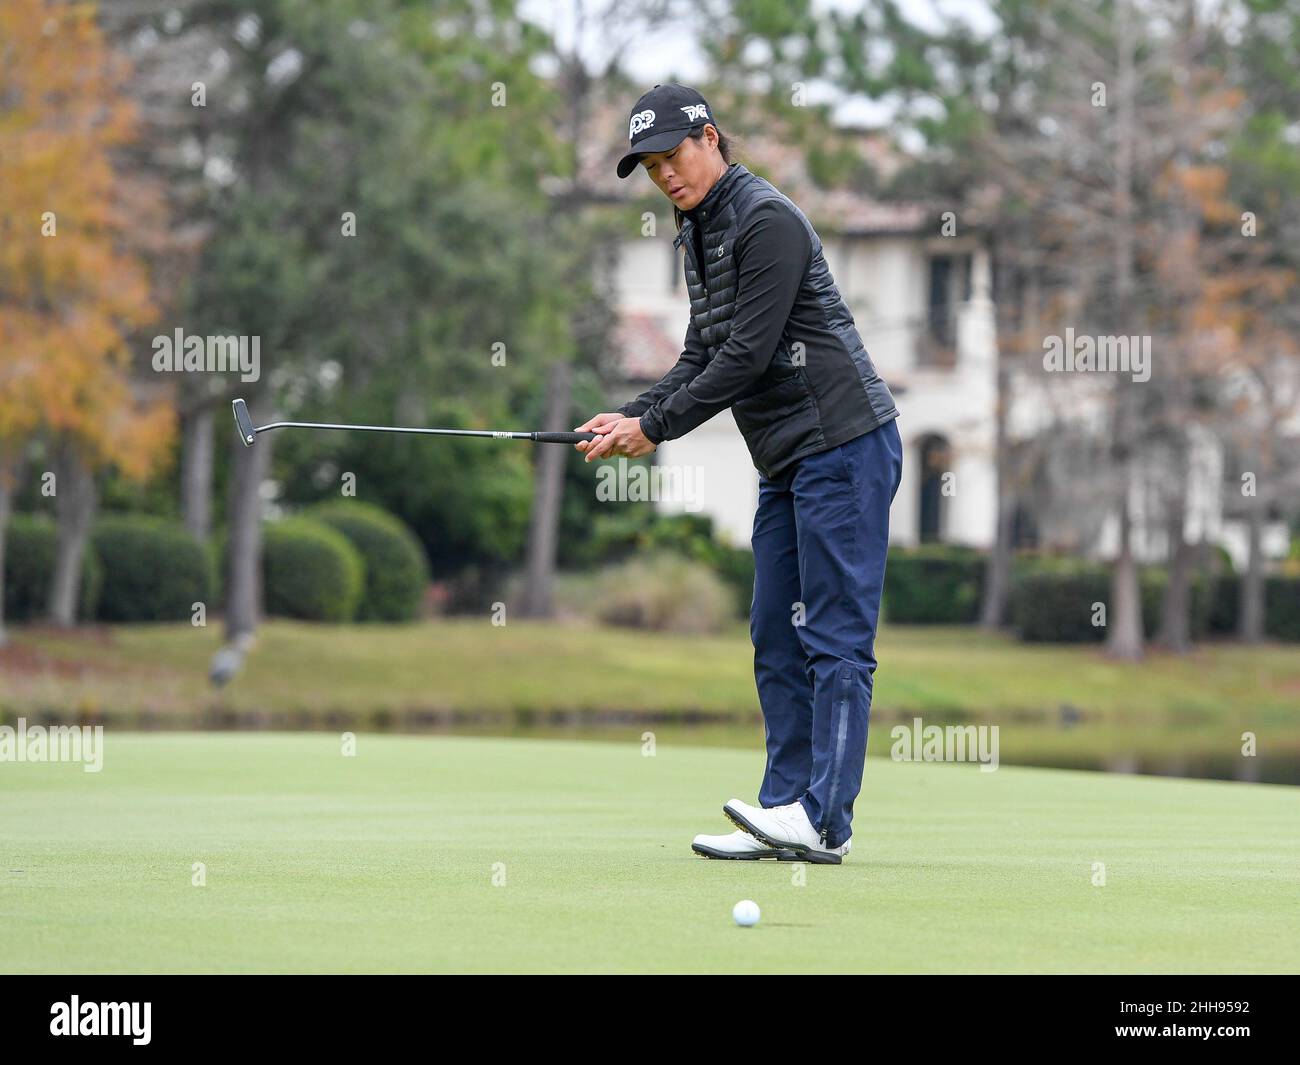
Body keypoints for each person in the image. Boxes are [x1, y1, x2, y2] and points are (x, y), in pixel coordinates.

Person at [575, 84, 902, 865]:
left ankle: (825, 818)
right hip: (786, 458)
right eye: (650, 167)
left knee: (834, 639)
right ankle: (783, 807)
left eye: (672, 156)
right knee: (772, 632)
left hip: (845, 443)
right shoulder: (697, 232)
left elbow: (747, 357)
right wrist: (628, 413)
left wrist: (654, 428)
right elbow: (699, 354)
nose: (664, 176)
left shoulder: (766, 221)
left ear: (711, 138)